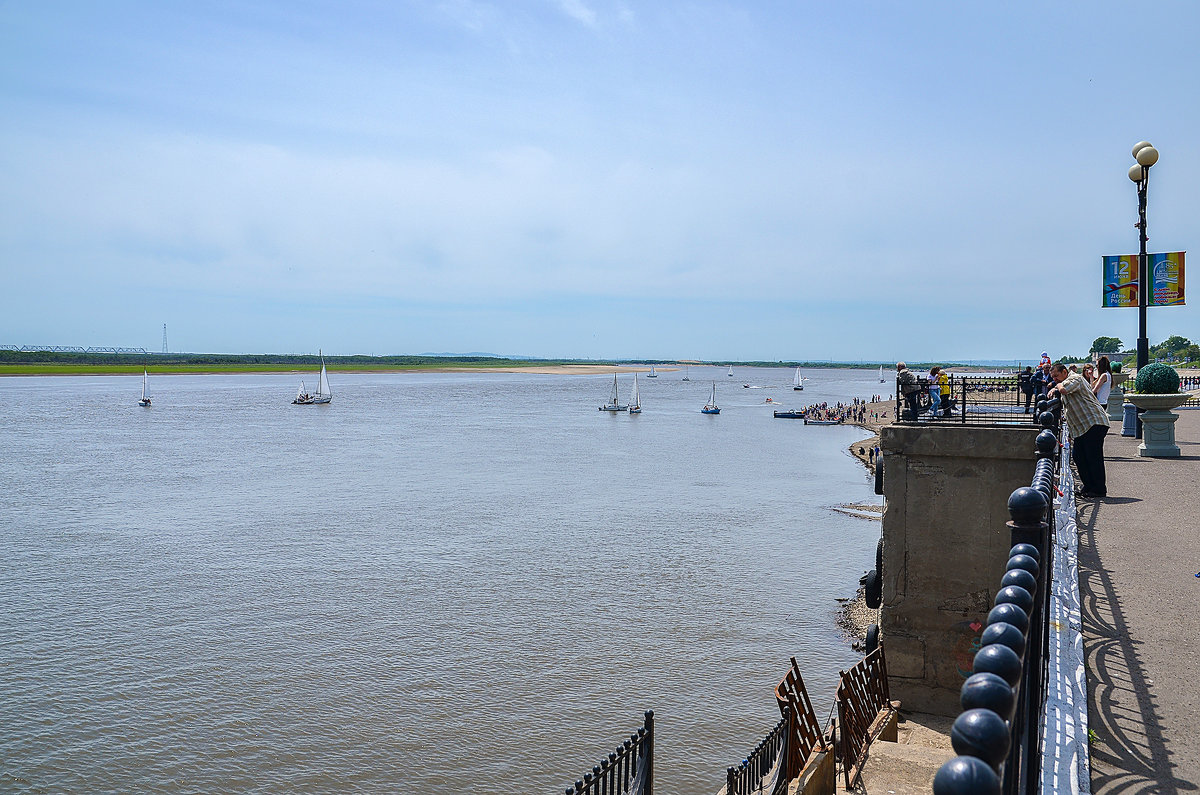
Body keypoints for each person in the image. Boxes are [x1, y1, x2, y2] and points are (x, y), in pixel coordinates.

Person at [1047, 362, 1110, 499]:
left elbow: (1064, 389)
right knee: (1079, 456)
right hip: (1084, 426)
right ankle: (1088, 487)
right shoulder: (1066, 380)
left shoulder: (1074, 378)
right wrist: (1055, 386)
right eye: (1053, 377)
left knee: (1093, 457)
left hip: (1093, 422)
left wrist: (1056, 386)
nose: (1055, 379)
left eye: (1056, 376)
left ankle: (1099, 489)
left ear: (1065, 372)